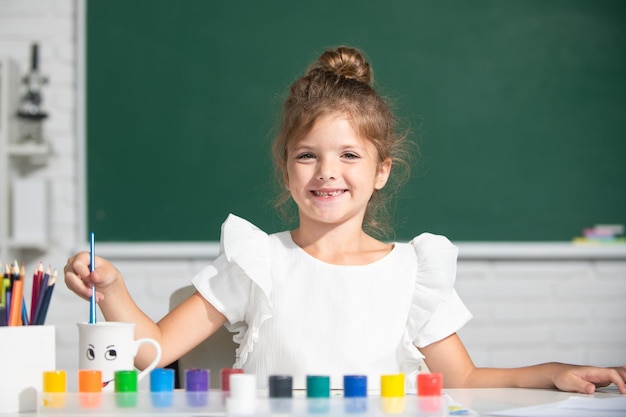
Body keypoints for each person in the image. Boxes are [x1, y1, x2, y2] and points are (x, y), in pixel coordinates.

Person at [65, 46, 626, 394]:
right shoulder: (256, 261)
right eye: (307, 155)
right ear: (285, 169)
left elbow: (465, 380)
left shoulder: (413, 271)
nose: (326, 172)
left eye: (349, 156)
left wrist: (551, 370)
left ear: (382, 171)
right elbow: (153, 351)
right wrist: (112, 288)